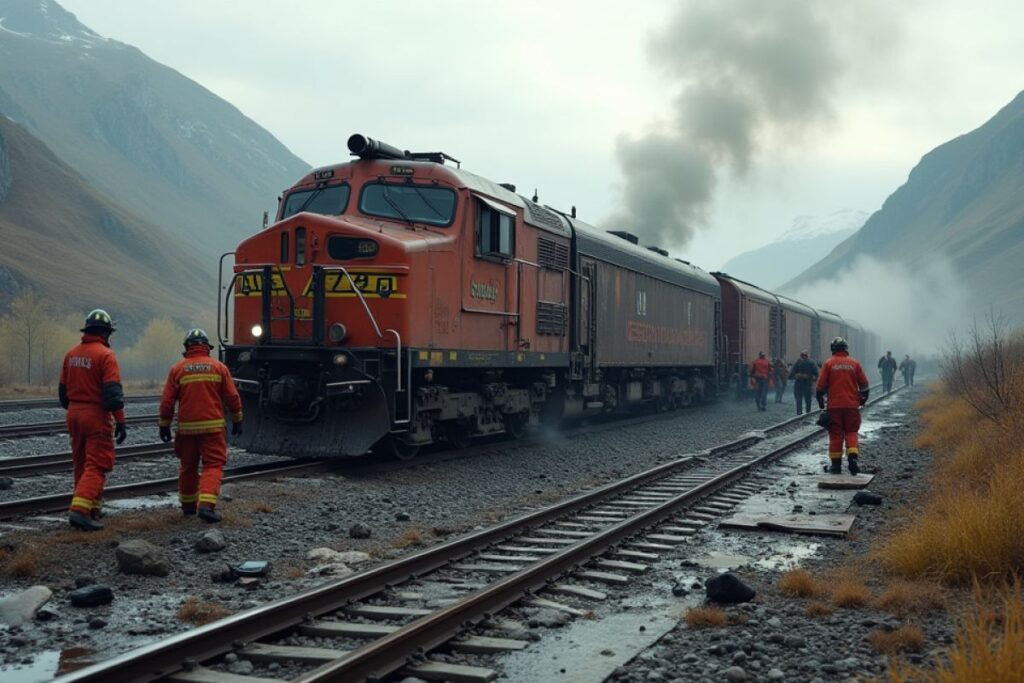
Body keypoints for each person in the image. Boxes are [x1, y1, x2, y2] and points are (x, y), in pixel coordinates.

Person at [158, 329, 243, 523]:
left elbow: (167, 402)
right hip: (212, 429)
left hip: (186, 429)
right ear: (207, 347)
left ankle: (188, 507)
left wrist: (164, 424)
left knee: (187, 466)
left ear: (187, 347)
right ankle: (206, 506)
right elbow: (232, 397)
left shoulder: (177, 369)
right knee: (213, 465)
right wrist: (238, 419)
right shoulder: (219, 367)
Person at [59, 309, 127, 531]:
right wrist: (121, 421)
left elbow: (62, 393)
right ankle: (79, 512)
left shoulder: (71, 354)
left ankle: (91, 508)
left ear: (86, 330)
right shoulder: (106, 355)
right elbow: (112, 394)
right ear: (106, 333)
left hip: (74, 414)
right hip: (95, 416)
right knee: (97, 464)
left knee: (81, 464)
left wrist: (77, 409)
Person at [817, 337, 870, 475]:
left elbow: (820, 387)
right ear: (846, 349)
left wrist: (821, 402)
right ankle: (852, 458)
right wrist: (863, 400)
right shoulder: (855, 364)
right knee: (851, 432)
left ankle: (836, 466)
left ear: (833, 349)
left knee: (835, 435)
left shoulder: (828, 364)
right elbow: (864, 385)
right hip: (852, 406)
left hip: (834, 406)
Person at [789, 350, 818, 415]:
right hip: (805, 385)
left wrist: (796, 376)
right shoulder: (811, 363)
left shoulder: (798, 362)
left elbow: (791, 374)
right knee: (807, 400)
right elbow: (816, 374)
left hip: (801, 384)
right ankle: (807, 413)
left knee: (800, 400)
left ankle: (801, 413)